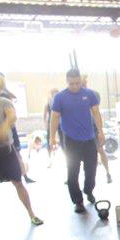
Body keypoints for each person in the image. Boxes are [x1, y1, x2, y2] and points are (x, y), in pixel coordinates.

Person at [50, 68, 104, 213]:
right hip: (71, 140)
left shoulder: (89, 94)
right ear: (66, 81)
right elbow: (54, 118)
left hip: (89, 138)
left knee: (91, 169)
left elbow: (96, 113)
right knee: (73, 172)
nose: (74, 86)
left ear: (81, 81)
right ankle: (78, 201)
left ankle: (88, 190)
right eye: (71, 83)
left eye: (77, 83)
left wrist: (101, 132)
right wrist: (52, 137)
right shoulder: (60, 97)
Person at [0, 75, 43, 225]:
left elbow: (12, 116)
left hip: (5, 151)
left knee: (18, 182)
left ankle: (32, 214)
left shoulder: (4, 102)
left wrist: (4, 128)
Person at [0, 72, 35, 183]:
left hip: (8, 132)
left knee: (16, 152)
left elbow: (12, 115)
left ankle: (23, 175)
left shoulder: (5, 97)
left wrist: (4, 128)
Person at [81, 75, 112, 183]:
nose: (83, 85)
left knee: (100, 150)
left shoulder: (93, 94)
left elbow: (96, 112)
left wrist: (100, 131)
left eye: (84, 82)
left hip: (93, 127)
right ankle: (88, 179)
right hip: (81, 129)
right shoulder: (73, 96)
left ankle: (108, 173)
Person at [43, 88, 59, 166]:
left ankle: (67, 159)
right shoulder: (48, 104)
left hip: (60, 123)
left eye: (56, 93)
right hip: (51, 124)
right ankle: (49, 159)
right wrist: (46, 125)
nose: (55, 95)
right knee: (50, 141)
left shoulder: (60, 102)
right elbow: (44, 116)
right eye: (53, 94)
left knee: (63, 141)